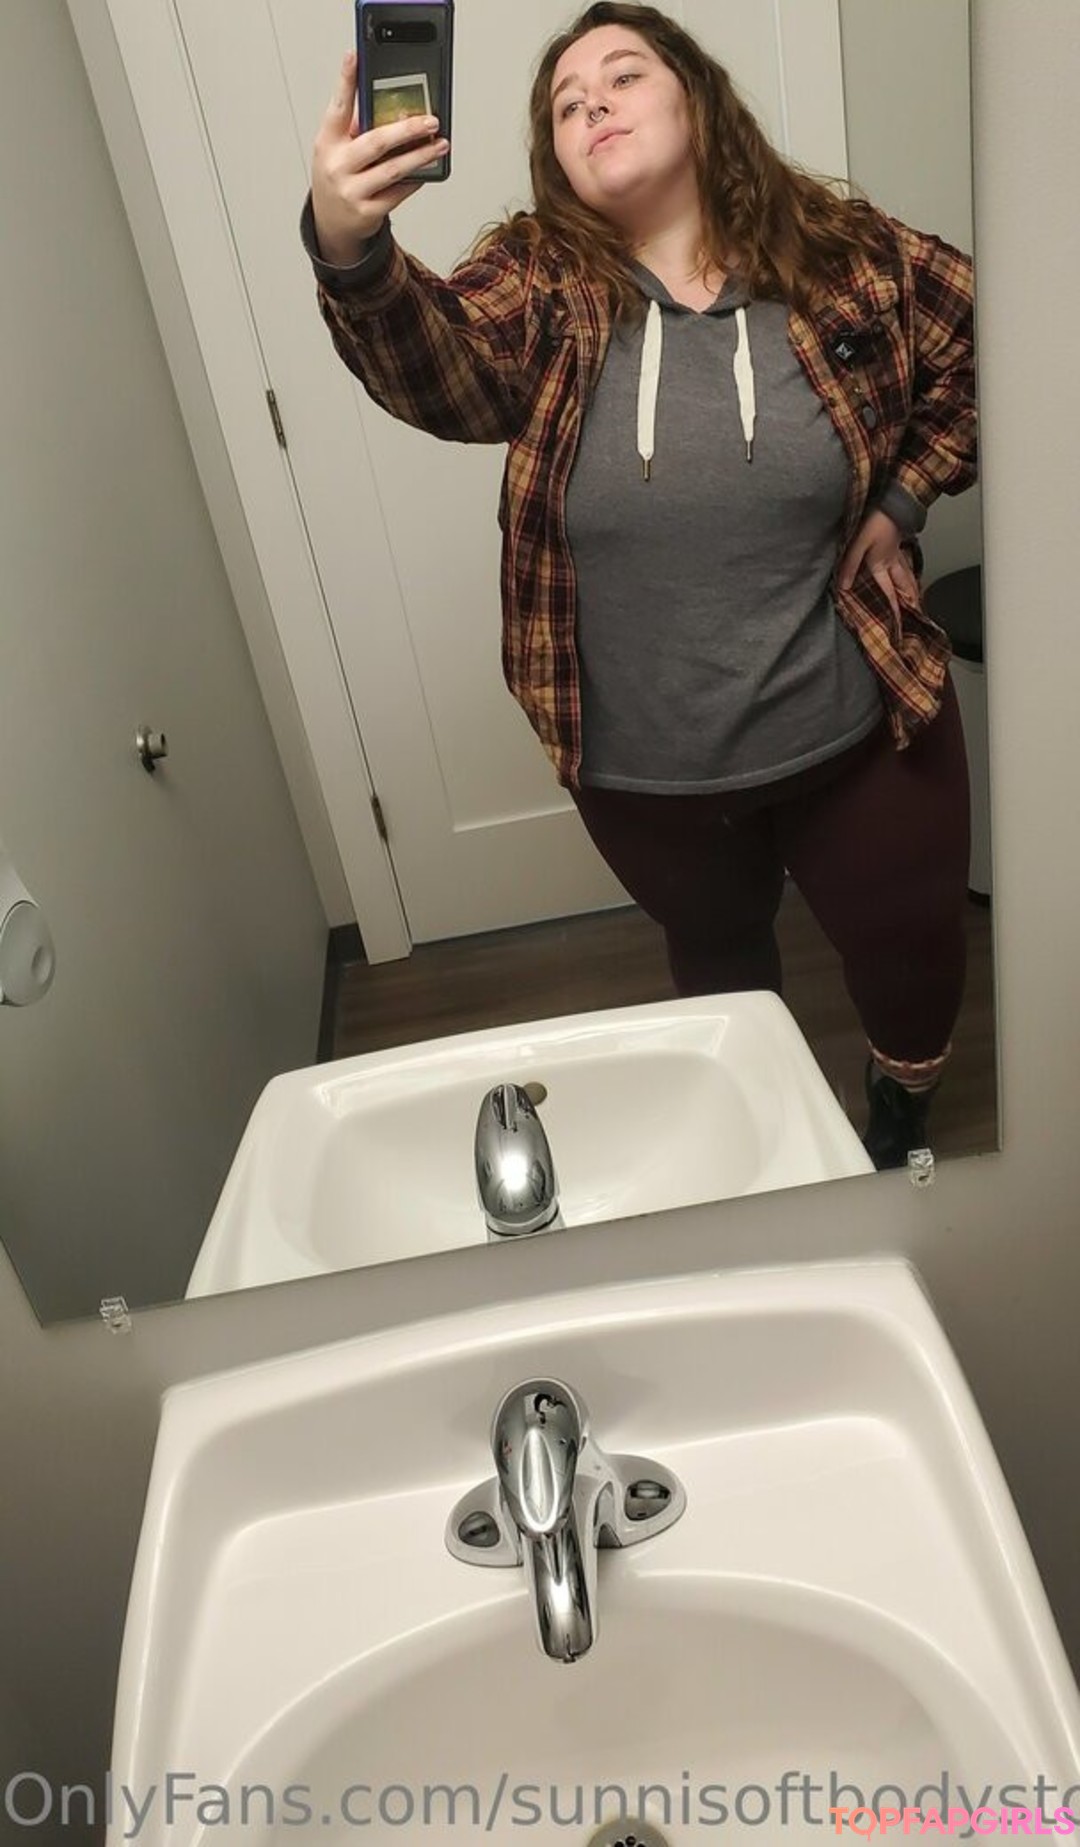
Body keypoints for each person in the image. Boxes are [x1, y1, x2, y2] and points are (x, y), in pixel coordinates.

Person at [303, 2, 977, 1170]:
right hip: (647, 776)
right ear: (558, 158)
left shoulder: (847, 258)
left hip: (865, 729)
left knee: (913, 960)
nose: (594, 104)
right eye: (568, 104)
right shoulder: (542, 283)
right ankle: (757, 1145)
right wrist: (352, 251)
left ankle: (900, 1105)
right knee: (720, 978)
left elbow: (985, 347)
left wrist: (904, 499)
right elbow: (444, 368)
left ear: (696, 101)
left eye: (623, 76)